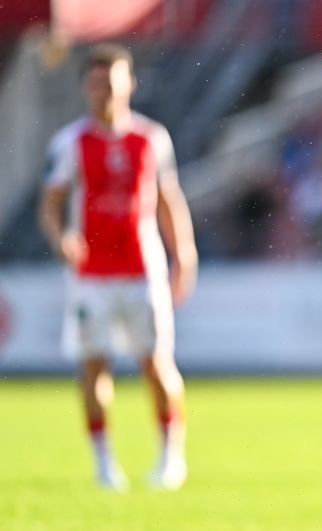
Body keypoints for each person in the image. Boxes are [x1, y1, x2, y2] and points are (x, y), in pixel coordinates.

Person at [38, 44, 197, 491]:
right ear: (85, 88)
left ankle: (171, 456)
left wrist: (183, 252)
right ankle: (104, 462)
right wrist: (61, 237)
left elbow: (167, 198)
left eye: (111, 81)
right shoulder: (70, 142)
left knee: (156, 363)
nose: (104, 90)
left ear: (130, 84)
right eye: (96, 82)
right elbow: (50, 203)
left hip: (142, 269)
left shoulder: (151, 137)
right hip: (91, 275)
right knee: (94, 367)